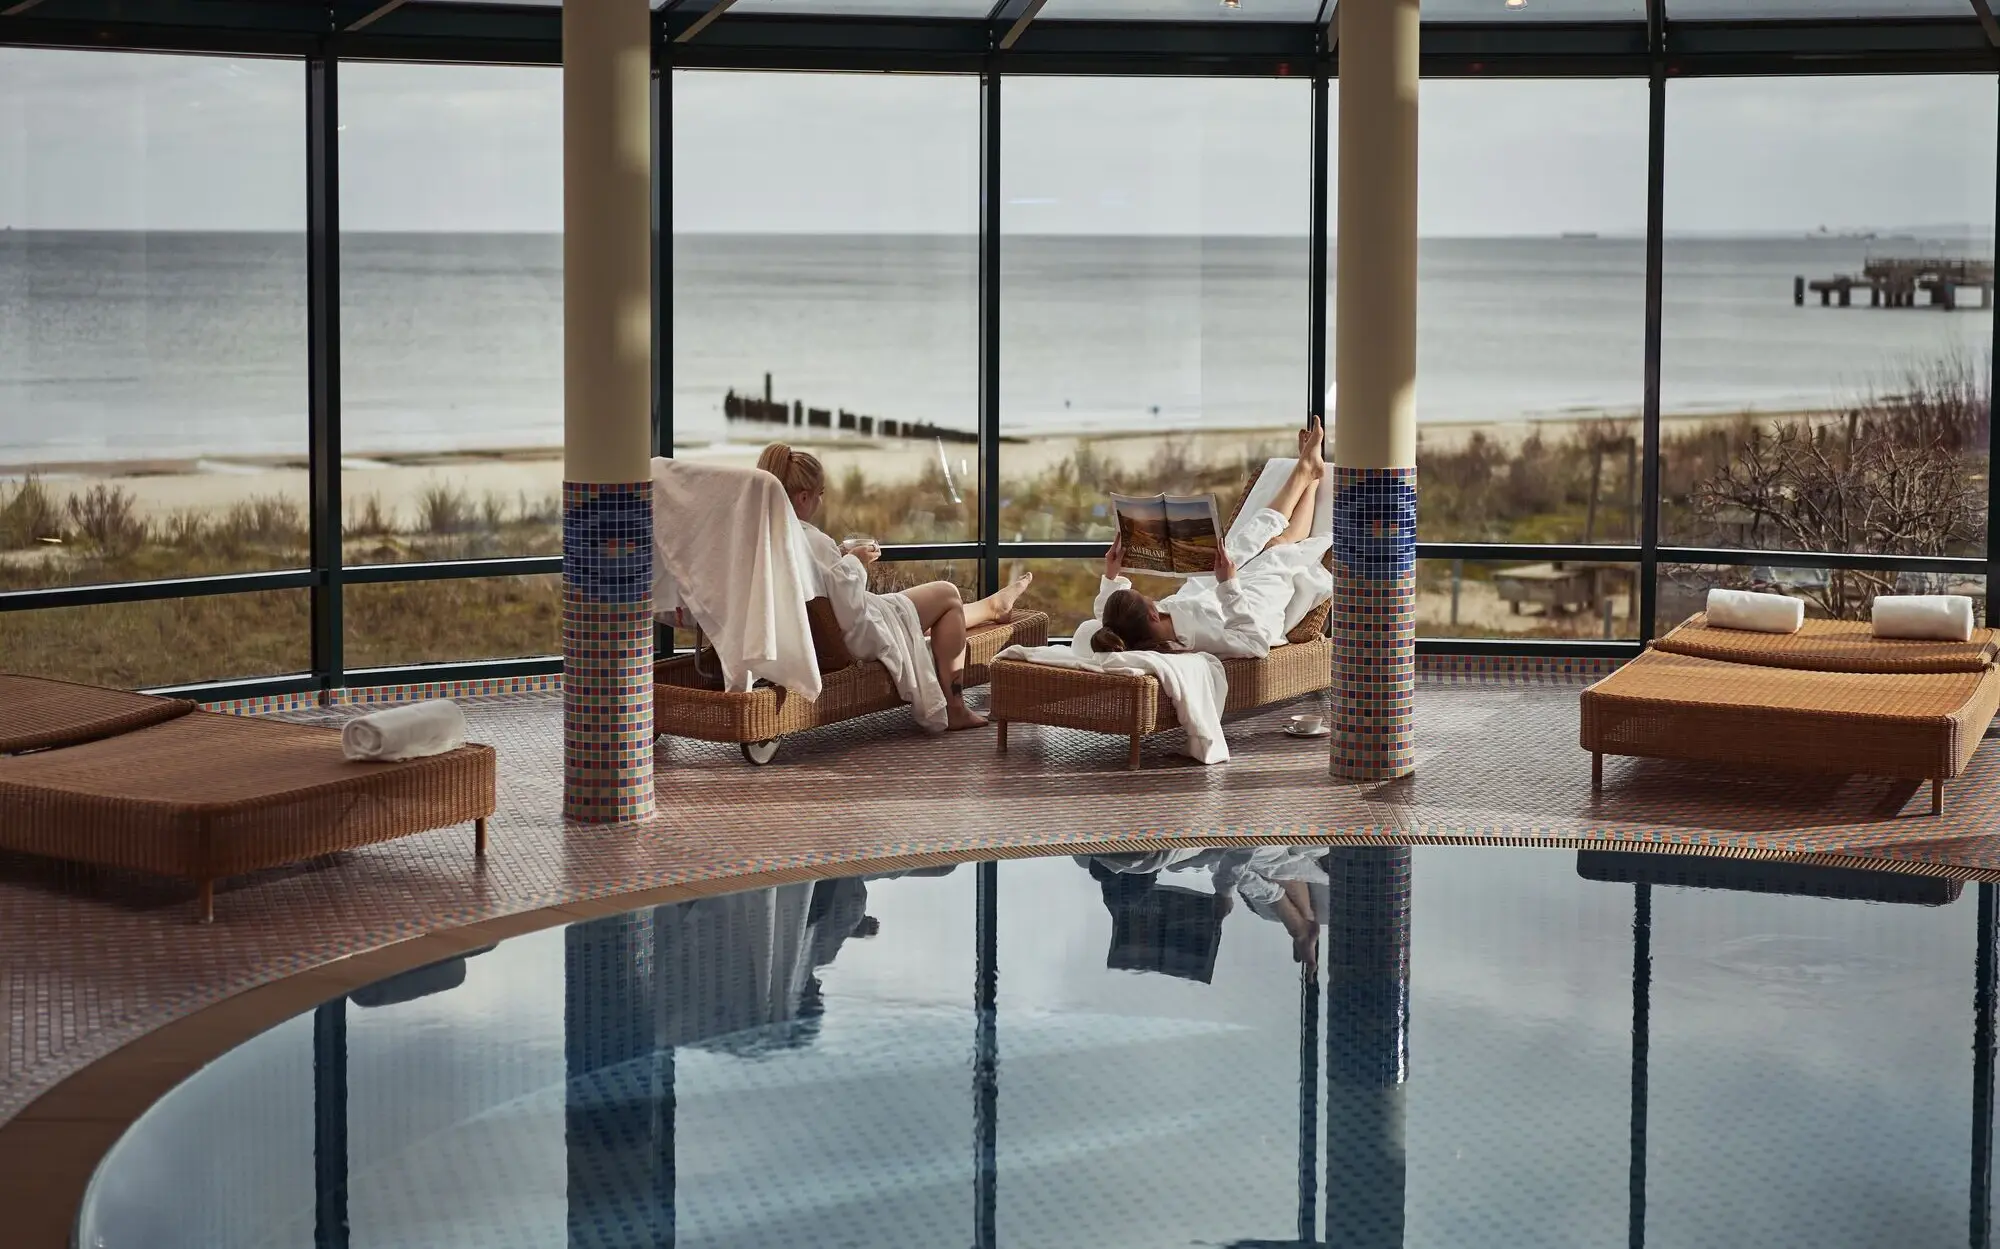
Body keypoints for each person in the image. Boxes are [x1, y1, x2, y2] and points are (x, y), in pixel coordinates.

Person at [757, 442, 1032, 730]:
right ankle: (955, 708)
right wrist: (856, 563)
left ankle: (993, 607)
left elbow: (814, 586)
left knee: (923, 610)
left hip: (801, 634)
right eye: (820, 494)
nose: (821, 502)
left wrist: (839, 563)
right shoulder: (814, 542)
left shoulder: (765, 538)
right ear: (802, 497)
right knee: (947, 593)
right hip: (851, 638)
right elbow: (849, 612)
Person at [1091, 420, 1330, 659]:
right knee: (1276, 551)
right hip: (1249, 608)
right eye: (1147, 599)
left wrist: (1112, 575)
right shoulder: (1195, 639)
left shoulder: (1134, 629)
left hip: (1206, 592)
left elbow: (1104, 617)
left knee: (1245, 541)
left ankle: (1307, 471)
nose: (1152, 599)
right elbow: (1255, 644)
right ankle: (1311, 476)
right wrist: (1228, 585)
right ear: (1152, 615)